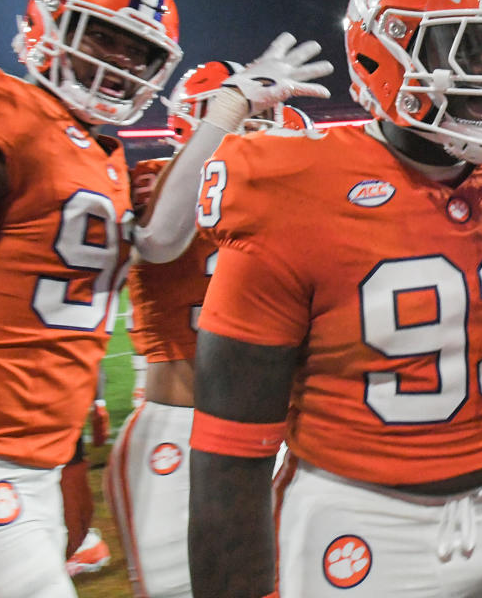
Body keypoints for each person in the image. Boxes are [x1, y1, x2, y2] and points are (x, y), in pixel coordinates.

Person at [0, 0, 331, 598]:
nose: (120, 63)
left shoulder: (103, 154)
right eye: (103, 36)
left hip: (30, 463)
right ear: (48, 22)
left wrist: (232, 106)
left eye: (138, 51)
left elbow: (156, 243)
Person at [188, 0, 482, 598]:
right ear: (387, 53)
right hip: (358, 515)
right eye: (469, 44)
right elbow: (230, 452)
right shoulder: (291, 185)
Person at [105, 59, 317, 598]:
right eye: (241, 117)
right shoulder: (153, 182)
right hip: (179, 428)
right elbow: (159, 235)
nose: (253, 131)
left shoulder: (292, 198)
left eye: (262, 119)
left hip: (276, 431)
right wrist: (222, 121)